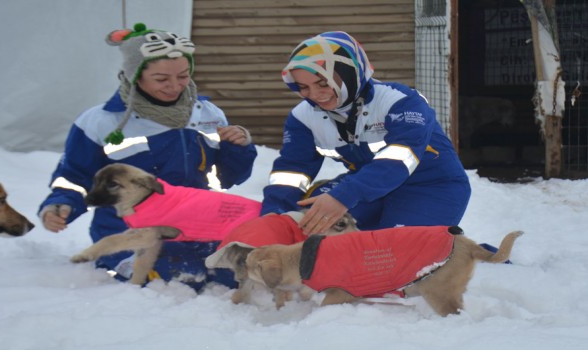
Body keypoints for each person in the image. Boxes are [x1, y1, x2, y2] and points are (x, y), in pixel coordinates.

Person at [38, 23, 257, 290]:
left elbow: (228, 177)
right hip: (127, 227)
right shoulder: (102, 122)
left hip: (196, 221)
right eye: (161, 79)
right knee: (177, 279)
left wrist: (239, 148)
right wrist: (61, 204)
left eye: (183, 76)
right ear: (135, 76)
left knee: (236, 272)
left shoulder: (207, 114)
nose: (174, 86)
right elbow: (74, 176)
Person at [261, 31, 471, 235]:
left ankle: (472, 257)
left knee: (392, 251)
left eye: (323, 83)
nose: (314, 94)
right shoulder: (302, 118)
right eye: (303, 86)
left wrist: (343, 196)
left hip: (430, 185)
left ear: (349, 74)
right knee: (306, 222)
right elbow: (292, 171)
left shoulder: (401, 102)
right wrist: (274, 212)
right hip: (366, 186)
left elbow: (399, 159)